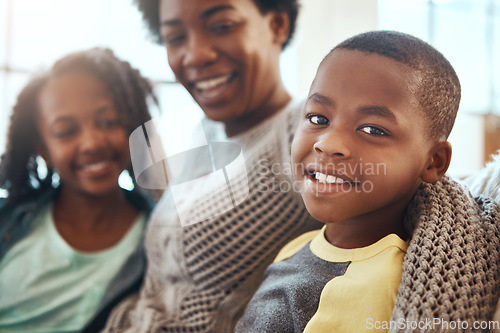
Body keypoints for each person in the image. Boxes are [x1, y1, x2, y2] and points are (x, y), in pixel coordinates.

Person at [235, 31, 500, 332]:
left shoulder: (378, 286)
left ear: (434, 161)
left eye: (373, 129)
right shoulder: (300, 246)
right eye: (318, 118)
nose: (328, 143)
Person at [103, 0, 320, 332]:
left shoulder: (309, 130)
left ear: (277, 25)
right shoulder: (206, 131)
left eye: (221, 26)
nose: (195, 55)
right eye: (175, 38)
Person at [0, 47, 156, 333]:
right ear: (43, 149)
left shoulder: (162, 240)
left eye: (108, 122)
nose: (92, 143)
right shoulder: (7, 217)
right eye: (66, 131)